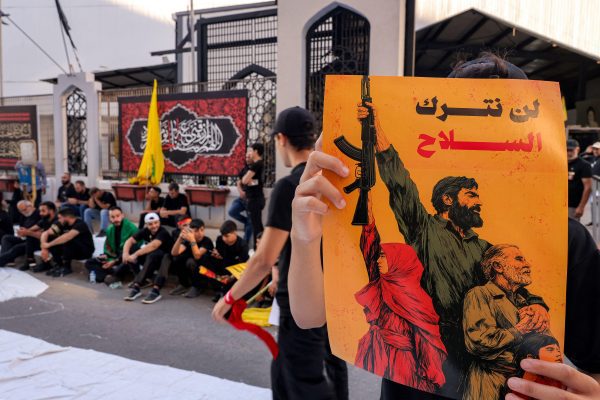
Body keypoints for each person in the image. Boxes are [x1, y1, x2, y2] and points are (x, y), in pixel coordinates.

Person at [288, 56, 558, 400]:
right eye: (471, 195)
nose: (479, 202)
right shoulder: (425, 231)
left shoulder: (492, 248)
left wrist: (537, 304)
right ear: (447, 200)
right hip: (428, 369)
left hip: (486, 369)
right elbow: (401, 186)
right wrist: (305, 235)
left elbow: (508, 286)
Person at [212, 106, 348, 400]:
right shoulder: (334, 180)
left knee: (302, 384)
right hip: (334, 297)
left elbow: (263, 259)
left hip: (300, 303)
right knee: (330, 371)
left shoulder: (290, 187)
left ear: (281, 139)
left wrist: (229, 299)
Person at [355, 193, 446, 391]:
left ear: (399, 261)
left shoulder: (417, 298)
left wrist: (430, 374)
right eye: (379, 256)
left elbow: (425, 340)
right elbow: (369, 248)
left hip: (403, 364)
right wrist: (368, 216)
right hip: (375, 353)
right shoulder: (380, 284)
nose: (378, 260)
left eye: (383, 256)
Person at [463, 244, 548, 400]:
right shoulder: (479, 294)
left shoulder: (523, 302)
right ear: (498, 266)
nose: (528, 264)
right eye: (519, 259)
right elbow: (479, 341)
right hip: (490, 386)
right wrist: (518, 331)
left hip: (523, 386)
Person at [122, 212, 173, 303]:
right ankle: (138, 285)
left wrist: (135, 255)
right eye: (150, 224)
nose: (154, 226)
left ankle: (156, 290)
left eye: (156, 222)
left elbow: (154, 245)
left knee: (152, 254)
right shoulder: (145, 230)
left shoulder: (163, 232)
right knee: (132, 250)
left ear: (159, 222)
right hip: (154, 258)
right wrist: (125, 254)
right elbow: (129, 240)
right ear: (146, 224)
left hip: (168, 259)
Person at [84, 206, 138, 284]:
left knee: (126, 263)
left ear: (122, 215)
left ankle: (105, 275)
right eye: (112, 217)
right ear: (109, 218)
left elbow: (134, 249)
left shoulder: (132, 228)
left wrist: (114, 261)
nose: (115, 219)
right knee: (89, 262)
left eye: (118, 216)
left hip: (124, 258)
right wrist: (105, 256)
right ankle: (108, 276)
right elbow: (108, 247)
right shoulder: (110, 229)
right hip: (112, 257)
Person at [39, 207, 95, 277]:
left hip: (84, 251)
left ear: (67, 217)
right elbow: (46, 233)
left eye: (60, 218)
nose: (58, 220)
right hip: (71, 250)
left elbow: (68, 237)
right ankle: (59, 265)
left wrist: (49, 245)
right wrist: (44, 248)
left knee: (66, 239)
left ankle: (67, 267)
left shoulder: (80, 224)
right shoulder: (62, 223)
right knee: (51, 237)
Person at [0, 201, 53, 271]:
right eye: (20, 211)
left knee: (17, 248)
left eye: (24, 210)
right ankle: (7, 259)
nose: (23, 212)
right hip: (26, 238)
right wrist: (22, 232)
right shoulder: (24, 216)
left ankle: (3, 260)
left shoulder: (41, 215)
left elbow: (42, 234)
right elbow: (32, 227)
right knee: (6, 238)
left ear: (30, 206)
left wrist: (27, 232)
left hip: (36, 240)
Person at [169, 218, 214, 298]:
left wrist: (192, 240)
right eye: (196, 231)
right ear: (191, 231)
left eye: (202, 230)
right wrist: (180, 238)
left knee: (193, 261)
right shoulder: (187, 241)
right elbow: (174, 253)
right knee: (177, 258)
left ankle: (197, 287)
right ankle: (184, 284)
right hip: (193, 267)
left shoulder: (207, 241)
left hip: (205, 270)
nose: (200, 233)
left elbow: (197, 256)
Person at [241, 142, 265, 248]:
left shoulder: (257, 164)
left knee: (256, 227)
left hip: (255, 199)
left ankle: (258, 249)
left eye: (251, 150)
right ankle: (261, 248)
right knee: (258, 225)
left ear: (256, 151)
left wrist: (248, 181)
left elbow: (244, 180)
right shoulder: (258, 164)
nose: (249, 153)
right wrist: (250, 181)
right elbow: (256, 181)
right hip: (257, 198)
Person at [228, 150, 253, 243]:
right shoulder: (244, 169)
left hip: (251, 199)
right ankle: (246, 221)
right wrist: (241, 191)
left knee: (250, 223)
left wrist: (247, 182)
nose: (247, 159)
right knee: (232, 211)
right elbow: (238, 182)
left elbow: (257, 183)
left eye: (249, 157)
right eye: (246, 157)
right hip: (242, 199)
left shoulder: (257, 169)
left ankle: (245, 243)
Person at [567, 139, 592, 221]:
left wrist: (581, 206)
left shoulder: (584, 165)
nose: (568, 153)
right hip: (558, 203)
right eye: (567, 150)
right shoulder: (561, 163)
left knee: (571, 228)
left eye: (571, 150)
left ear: (577, 149)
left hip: (573, 206)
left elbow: (588, 187)